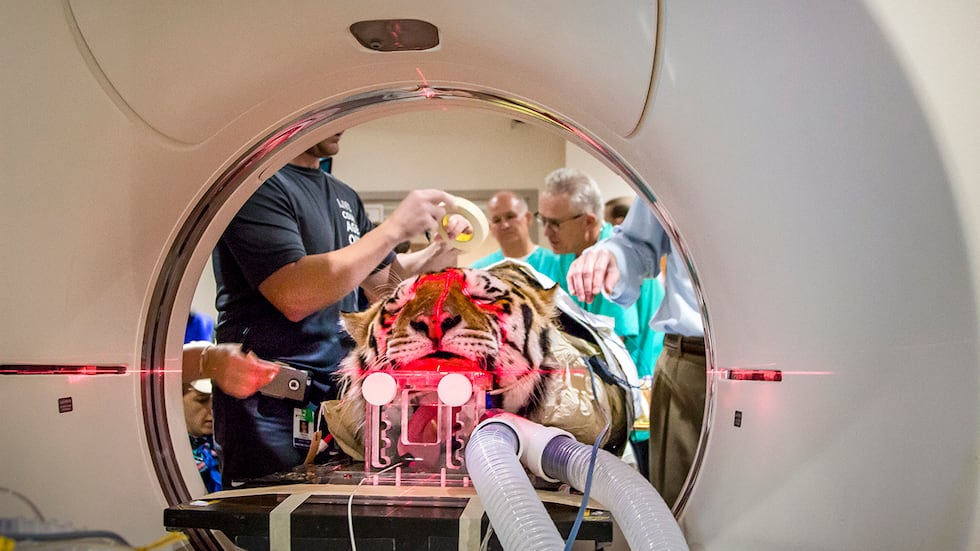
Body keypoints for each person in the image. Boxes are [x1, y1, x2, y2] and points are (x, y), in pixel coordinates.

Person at [210, 132, 463, 485]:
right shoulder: (255, 185)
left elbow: (379, 285)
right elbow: (294, 294)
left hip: (332, 406)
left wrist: (437, 252)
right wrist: (392, 229)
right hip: (268, 408)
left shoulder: (343, 195)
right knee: (271, 528)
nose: (341, 125)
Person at [566, 200, 705, 506]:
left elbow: (623, 337)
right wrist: (611, 256)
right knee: (684, 514)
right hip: (695, 361)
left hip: (797, 356)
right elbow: (637, 243)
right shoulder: (681, 166)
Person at [470, 190, 562, 278]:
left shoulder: (557, 263)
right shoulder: (479, 271)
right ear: (491, 229)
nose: (505, 225)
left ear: (528, 218)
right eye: (497, 220)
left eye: (510, 217)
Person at [182, 378, 221, 493]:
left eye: (217, 401)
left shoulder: (225, 447)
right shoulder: (168, 453)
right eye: (202, 400)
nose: (213, 409)